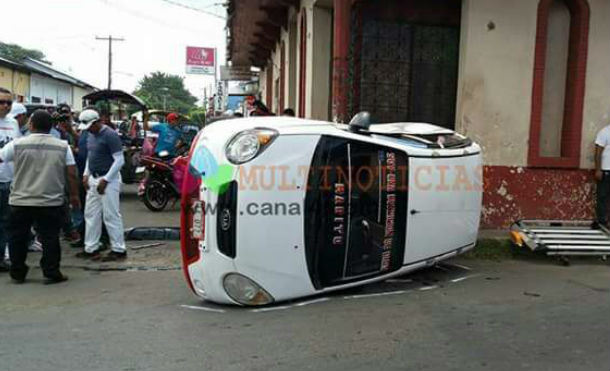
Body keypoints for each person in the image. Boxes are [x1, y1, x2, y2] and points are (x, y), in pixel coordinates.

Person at [0, 109, 80, 283]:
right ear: (51, 126)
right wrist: (74, 196)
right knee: (50, 237)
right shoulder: (62, 146)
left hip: (21, 200)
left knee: (17, 238)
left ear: (31, 125)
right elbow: (72, 173)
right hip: (50, 200)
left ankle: (18, 273)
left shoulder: (16, 144)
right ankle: (51, 272)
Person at [76, 109, 127, 261]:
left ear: (98, 122)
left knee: (111, 215)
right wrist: (86, 174)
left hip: (108, 179)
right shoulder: (90, 135)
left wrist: (106, 180)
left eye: (91, 126)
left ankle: (118, 249)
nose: (89, 129)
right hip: (94, 177)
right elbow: (91, 156)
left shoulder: (110, 135)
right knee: (91, 214)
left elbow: (119, 160)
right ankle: (91, 247)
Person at [0, 88, 21, 272]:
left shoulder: (13, 123)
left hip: (9, 180)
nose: (5, 106)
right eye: (1, 102)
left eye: (9, 102)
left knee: (7, 222)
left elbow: (18, 150)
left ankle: (3, 258)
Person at [594, 124, 610, 227]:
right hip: (605, 170)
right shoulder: (605, 132)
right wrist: (598, 169)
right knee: (602, 196)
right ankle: (602, 221)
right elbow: (598, 152)